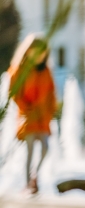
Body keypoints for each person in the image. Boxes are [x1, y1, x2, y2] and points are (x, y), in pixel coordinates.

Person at [9, 33, 57, 194]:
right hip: (27, 117)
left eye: (42, 53)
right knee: (29, 151)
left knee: (45, 148)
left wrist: (50, 111)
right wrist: (26, 108)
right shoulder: (19, 70)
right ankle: (27, 183)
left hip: (42, 118)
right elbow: (14, 92)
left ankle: (34, 176)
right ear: (28, 51)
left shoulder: (46, 71)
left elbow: (51, 93)